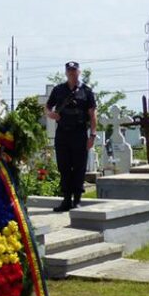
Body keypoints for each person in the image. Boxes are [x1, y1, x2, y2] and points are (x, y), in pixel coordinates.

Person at [46, 62, 97, 212]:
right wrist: (50, 114)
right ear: (66, 73)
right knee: (64, 166)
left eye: (74, 71)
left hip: (79, 132)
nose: (72, 73)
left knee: (79, 167)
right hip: (62, 133)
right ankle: (66, 200)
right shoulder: (58, 90)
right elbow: (48, 107)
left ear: (79, 72)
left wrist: (92, 134)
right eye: (69, 71)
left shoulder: (86, 91)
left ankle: (77, 200)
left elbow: (92, 114)